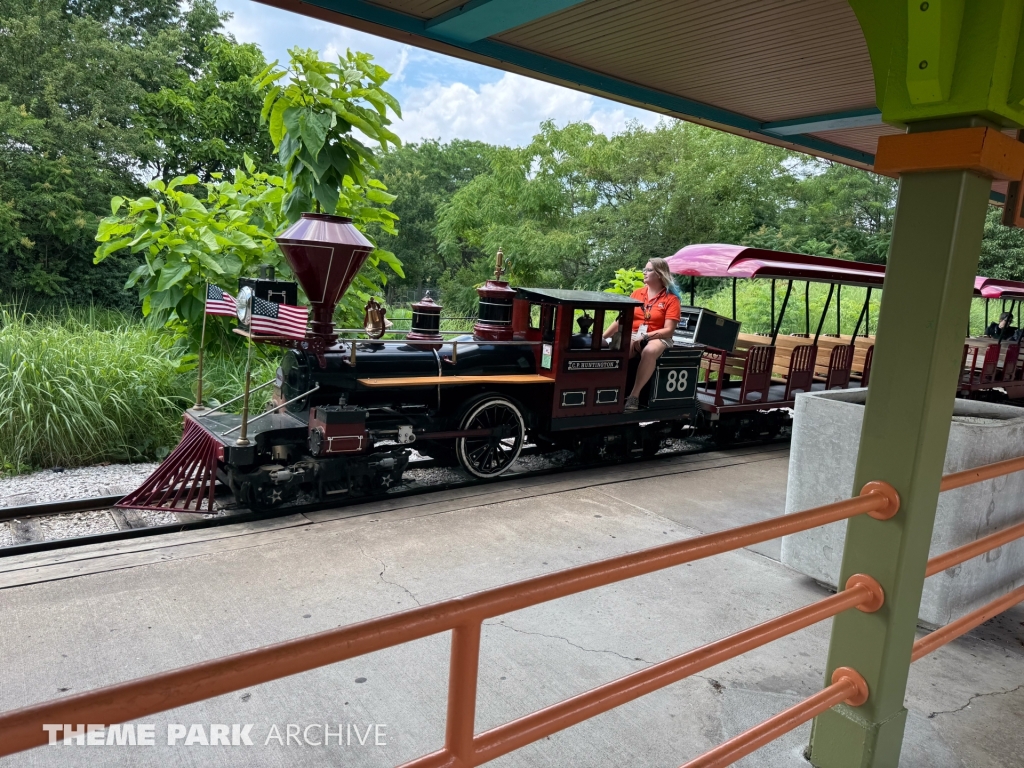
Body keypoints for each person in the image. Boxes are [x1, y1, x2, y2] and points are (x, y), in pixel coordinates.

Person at [603, 258, 681, 412]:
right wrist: (603, 337)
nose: (644, 273)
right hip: (633, 333)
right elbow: (621, 320)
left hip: (659, 337)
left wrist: (646, 337)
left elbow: (669, 330)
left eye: (648, 270)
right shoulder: (637, 293)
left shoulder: (671, 299)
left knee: (649, 351)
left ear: (659, 274)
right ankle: (613, 393)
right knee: (619, 349)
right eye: (644, 269)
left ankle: (634, 396)